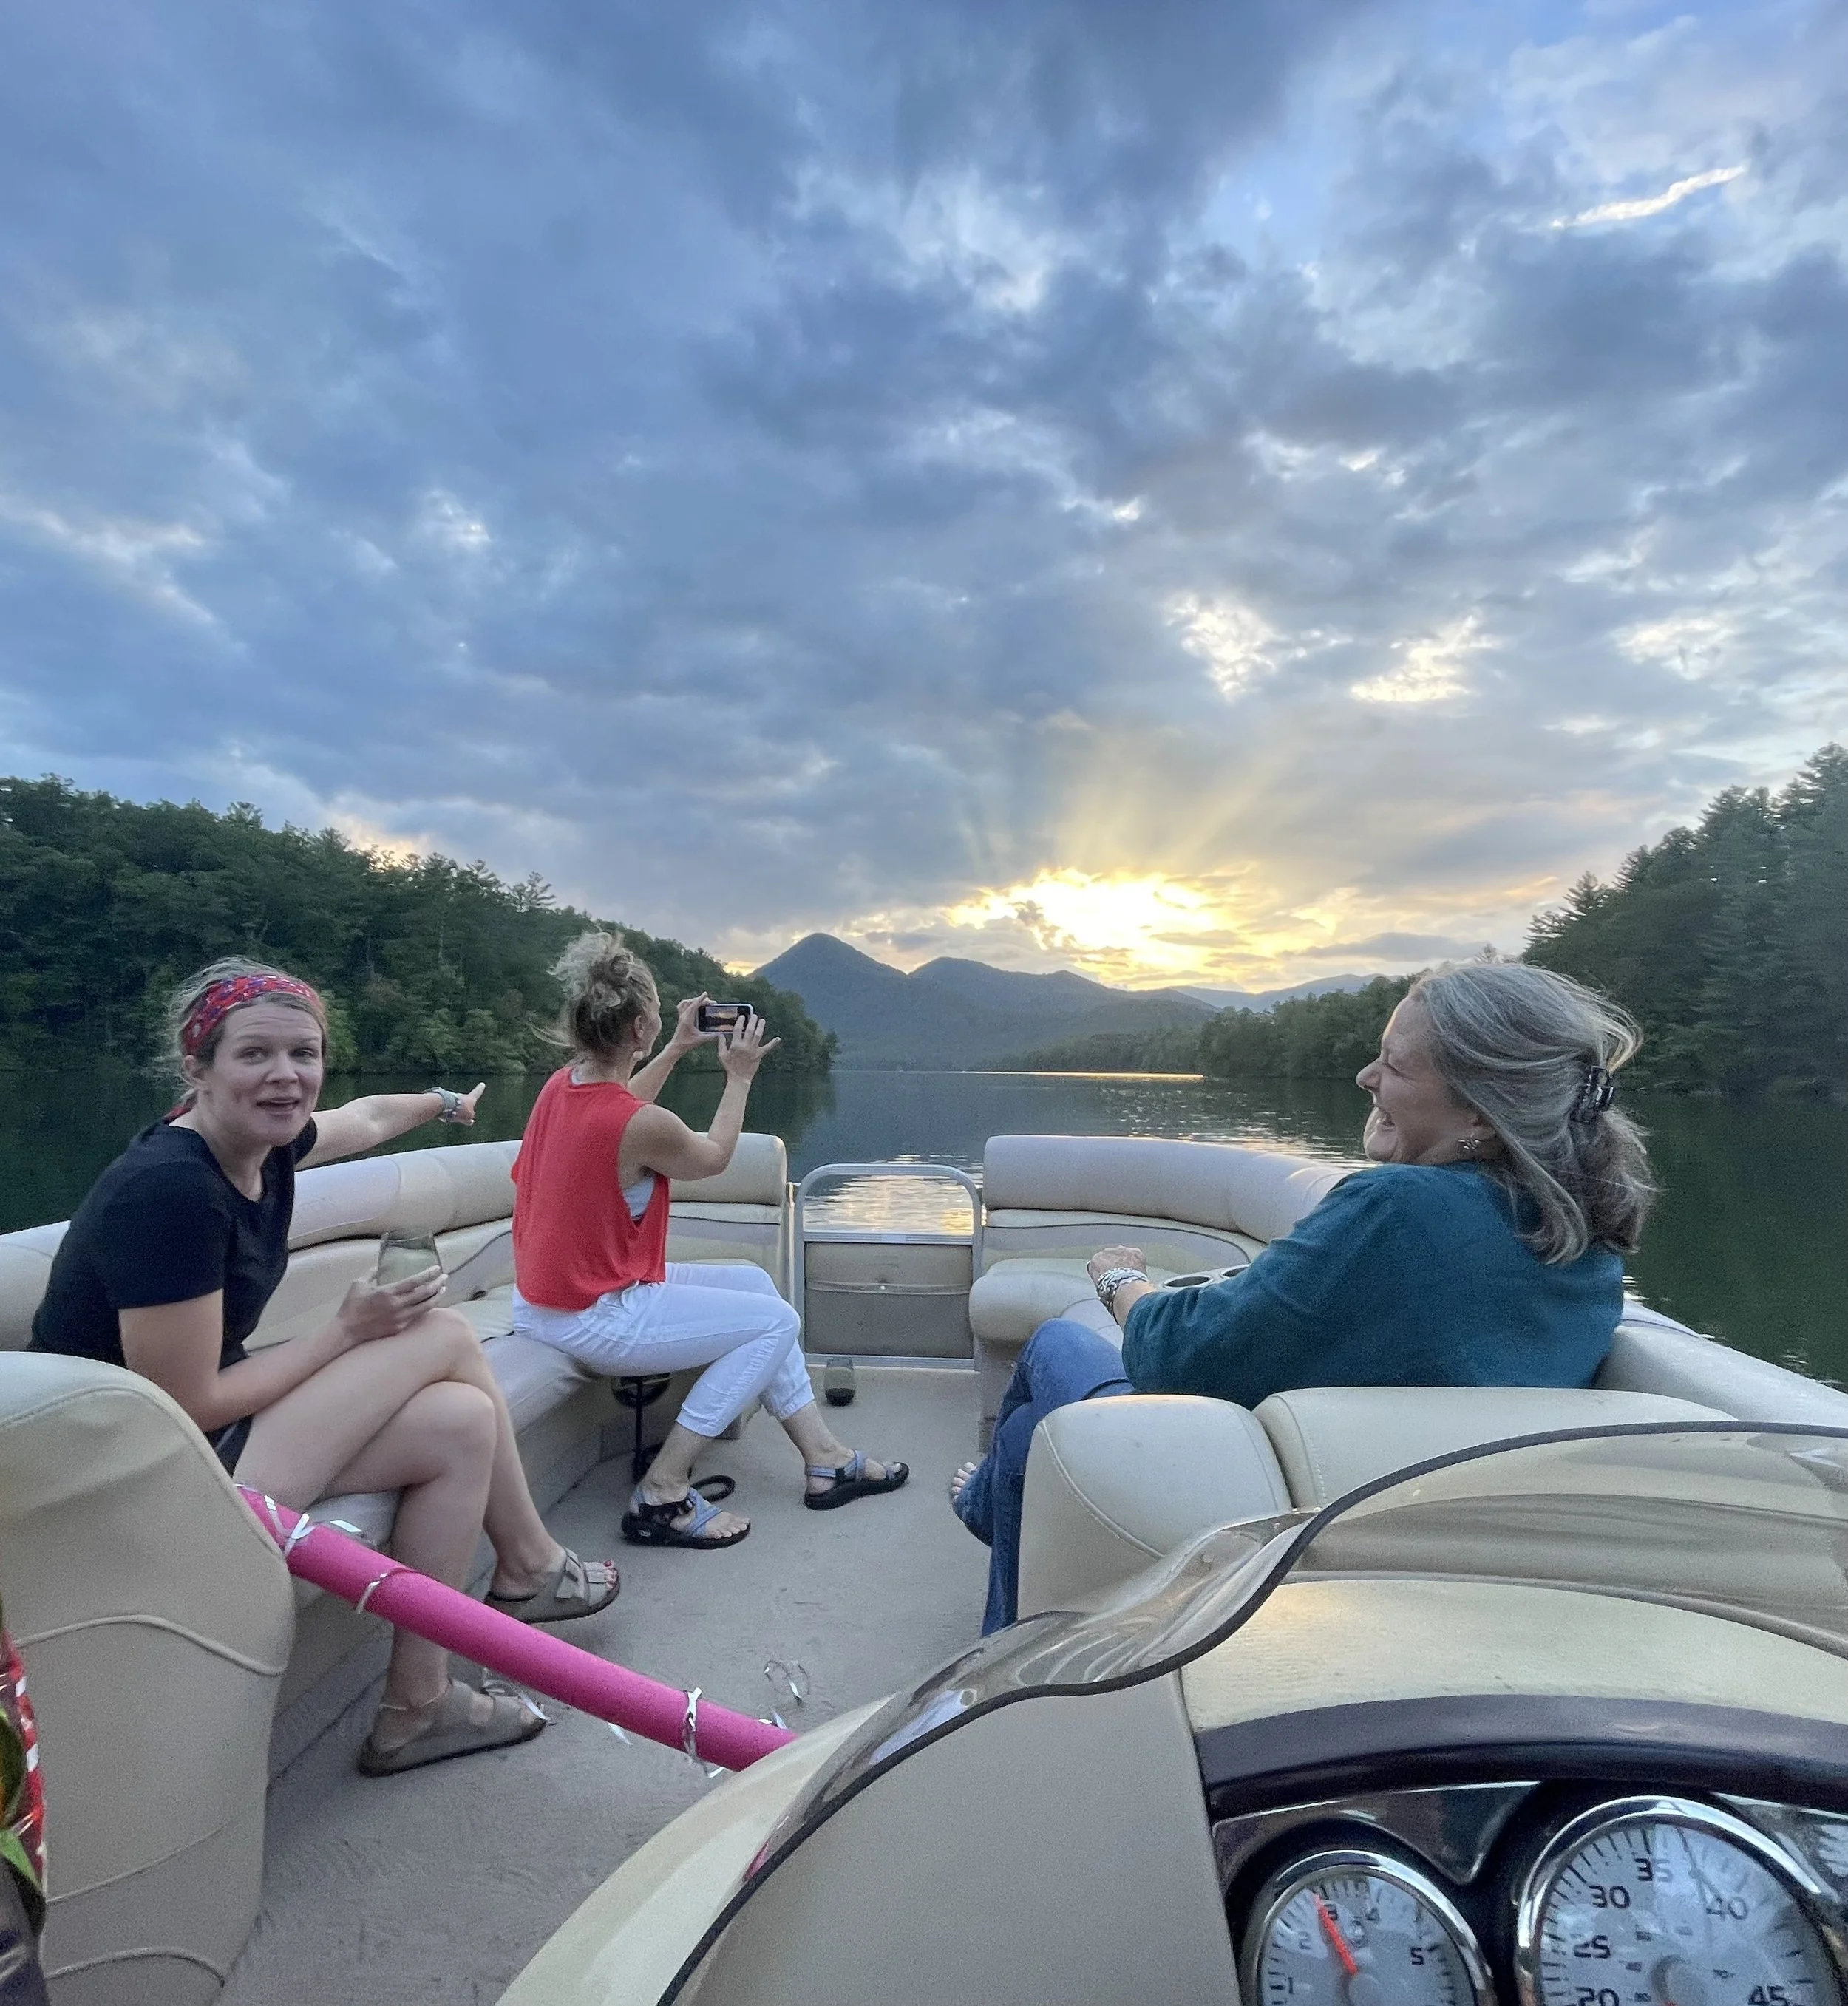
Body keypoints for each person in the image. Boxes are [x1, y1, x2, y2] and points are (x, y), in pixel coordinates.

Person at [30, 959, 619, 1776]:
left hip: (197, 1441)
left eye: (304, 1054)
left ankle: (419, 1705)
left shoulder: (262, 1147)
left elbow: (369, 1117)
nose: (287, 1076)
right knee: (443, 1336)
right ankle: (528, 1563)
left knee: (462, 1423)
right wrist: (346, 1330)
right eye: (255, 1055)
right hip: (136, 1477)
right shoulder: (168, 1191)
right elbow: (187, 1401)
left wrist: (445, 1105)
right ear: (196, 1066)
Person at [951, 961, 1657, 1632]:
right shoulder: (1585, 1236)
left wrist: (1119, 1282)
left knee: (1054, 1345)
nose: (1366, 1076)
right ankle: (994, 1526)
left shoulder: (1396, 1207)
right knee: (1021, 1443)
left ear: (1480, 1114)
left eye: (1396, 1065)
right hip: (1421, 1518)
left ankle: (989, 1547)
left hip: (1265, 1508)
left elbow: (1177, 1356)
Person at [510, 931, 906, 1547]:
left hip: (549, 1302)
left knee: (753, 1286)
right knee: (775, 1322)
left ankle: (824, 1457)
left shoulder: (561, 1089)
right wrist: (740, 1076)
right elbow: (714, 1156)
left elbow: (617, 1113)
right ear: (640, 1025)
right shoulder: (641, 1123)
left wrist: (673, 1049)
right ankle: (664, 1489)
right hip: (591, 1316)